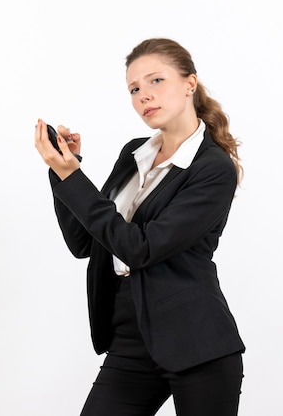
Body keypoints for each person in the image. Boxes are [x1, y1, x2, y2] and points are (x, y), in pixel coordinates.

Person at [34, 37, 245, 416]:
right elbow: (85, 242)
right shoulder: (133, 153)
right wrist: (65, 172)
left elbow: (140, 248)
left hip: (198, 346)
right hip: (131, 339)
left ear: (189, 84)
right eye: (134, 88)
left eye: (156, 81)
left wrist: (74, 179)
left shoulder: (213, 169)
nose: (144, 95)